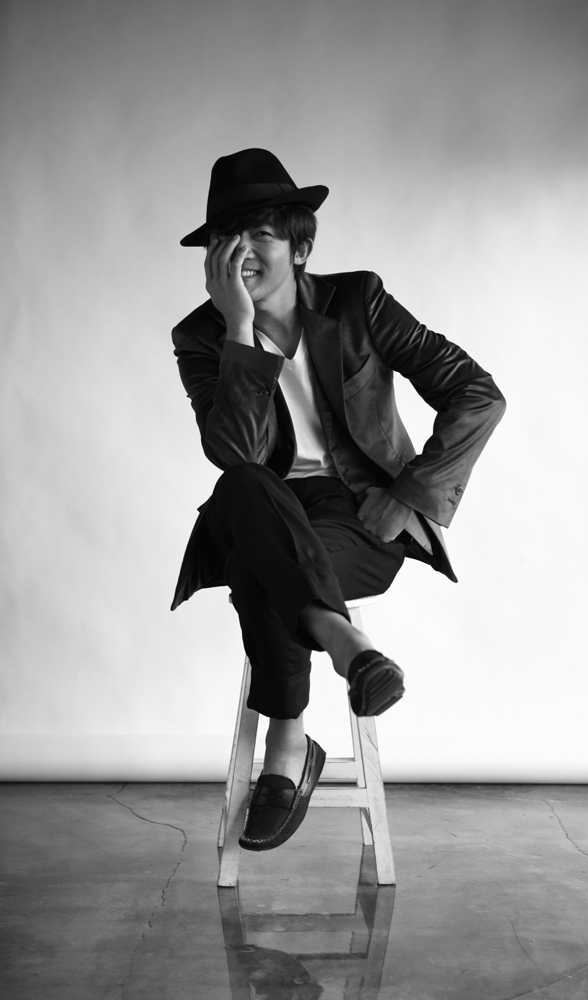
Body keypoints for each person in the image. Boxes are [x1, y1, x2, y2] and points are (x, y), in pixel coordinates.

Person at [170, 148, 505, 851]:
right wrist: (238, 331)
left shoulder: (358, 303)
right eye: (226, 239)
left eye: (261, 235)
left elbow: (477, 394)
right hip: (257, 506)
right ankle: (350, 648)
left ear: (300, 248)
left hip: (358, 520)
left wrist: (409, 494)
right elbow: (234, 453)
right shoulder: (200, 336)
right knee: (245, 485)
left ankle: (287, 748)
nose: (242, 253)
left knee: (265, 573)